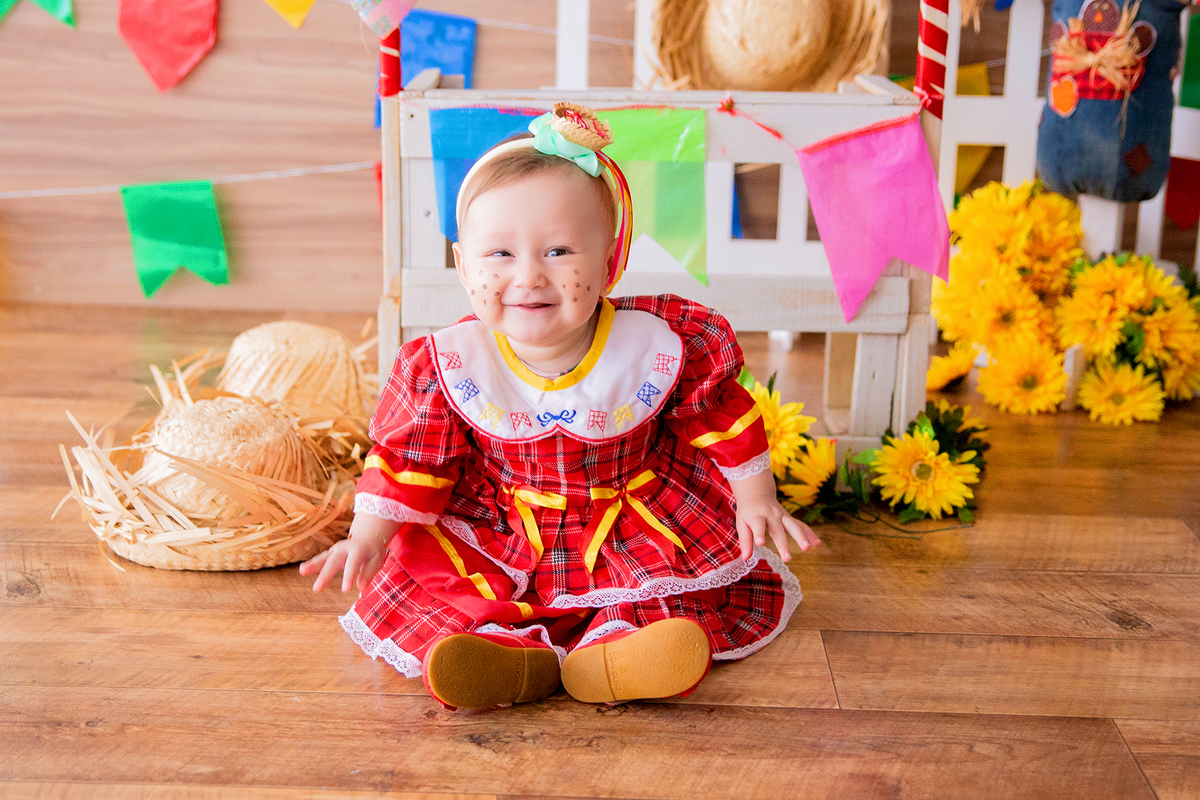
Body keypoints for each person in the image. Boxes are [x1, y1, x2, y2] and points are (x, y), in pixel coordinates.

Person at [300, 103, 820, 710]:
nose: (529, 277)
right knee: (461, 587)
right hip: (502, 525)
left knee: (655, 589)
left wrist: (756, 497)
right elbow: (412, 461)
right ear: (463, 266)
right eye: (499, 255)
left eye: (559, 251)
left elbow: (717, 416)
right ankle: (509, 657)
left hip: (629, 518)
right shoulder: (450, 365)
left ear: (610, 260)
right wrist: (366, 537)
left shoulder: (655, 344)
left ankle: (617, 653)